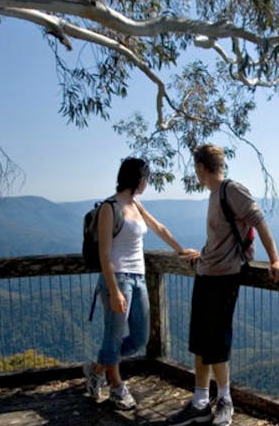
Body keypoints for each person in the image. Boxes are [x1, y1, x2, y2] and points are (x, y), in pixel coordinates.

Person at [166, 144, 279, 426]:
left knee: (217, 343)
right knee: (200, 342)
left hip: (225, 277)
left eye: (194, 168)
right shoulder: (214, 195)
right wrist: (204, 254)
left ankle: (224, 401)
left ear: (200, 167)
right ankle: (199, 404)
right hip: (206, 272)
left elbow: (260, 222)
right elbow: (222, 236)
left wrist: (275, 259)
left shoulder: (231, 190)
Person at [83, 157, 198, 409]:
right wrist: (113, 291)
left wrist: (180, 250)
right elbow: (104, 254)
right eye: (146, 177)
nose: (148, 182)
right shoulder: (109, 208)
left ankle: (96, 369)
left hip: (139, 278)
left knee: (138, 337)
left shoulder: (136, 204)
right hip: (118, 279)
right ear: (137, 178)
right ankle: (116, 387)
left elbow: (157, 227)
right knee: (113, 337)